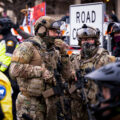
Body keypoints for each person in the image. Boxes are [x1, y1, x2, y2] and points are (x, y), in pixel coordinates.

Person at [34, 16, 74, 120]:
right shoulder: (29, 47)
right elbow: (14, 71)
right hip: (34, 102)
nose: (57, 35)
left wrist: (63, 53)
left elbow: (67, 75)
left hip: (53, 102)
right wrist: (41, 72)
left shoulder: (55, 52)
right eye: (53, 31)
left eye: (57, 32)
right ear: (42, 30)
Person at [70, 24, 114, 120]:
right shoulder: (74, 59)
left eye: (89, 39)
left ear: (95, 40)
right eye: (84, 40)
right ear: (80, 41)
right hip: (77, 106)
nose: (86, 42)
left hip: (96, 105)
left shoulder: (104, 58)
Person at [0, 17, 19, 120]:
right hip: (4, 75)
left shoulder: (10, 40)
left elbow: (7, 59)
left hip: (9, 76)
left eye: (1, 26)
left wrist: (1, 72)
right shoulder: (5, 39)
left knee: (10, 103)